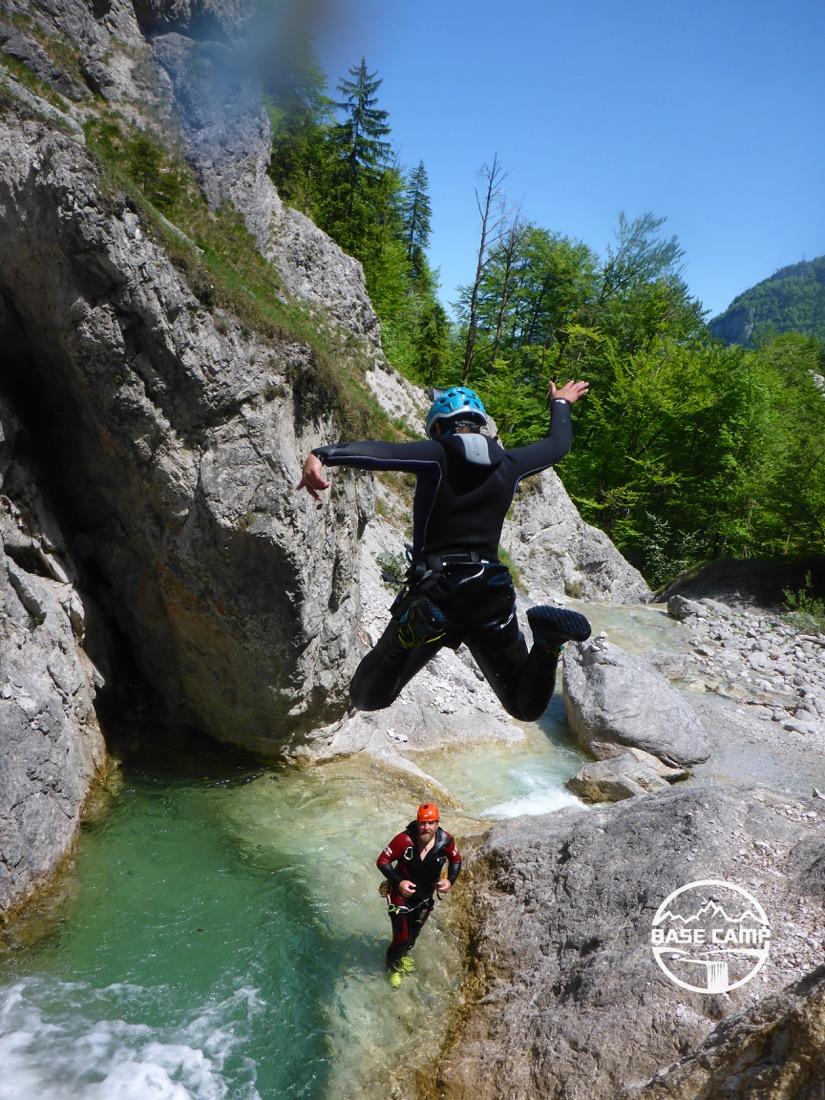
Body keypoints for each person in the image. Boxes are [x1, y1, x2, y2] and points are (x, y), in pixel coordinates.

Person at [297, 380, 591, 721]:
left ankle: (406, 637)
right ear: (479, 424)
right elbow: (557, 445)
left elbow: (384, 453)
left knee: (367, 697)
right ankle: (548, 643)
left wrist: (323, 455)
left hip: (438, 593)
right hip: (490, 588)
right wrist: (561, 404)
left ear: (438, 427)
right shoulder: (510, 464)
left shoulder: (437, 454)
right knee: (525, 708)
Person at [376, 802, 461, 986]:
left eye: (431, 823)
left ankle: (402, 956)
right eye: (423, 823)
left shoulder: (446, 841)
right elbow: (382, 861)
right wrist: (399, 882)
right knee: (402, 939)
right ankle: (391, 967)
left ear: (437, 823)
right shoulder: (403, 840)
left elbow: (456, 860)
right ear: (417, 822)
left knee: (412, 937)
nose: (426, 827)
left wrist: (449, 881)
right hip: (400, 895)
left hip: (424, 897)